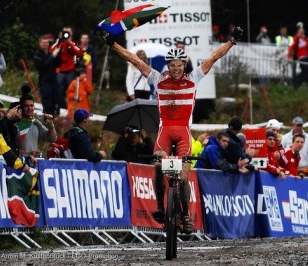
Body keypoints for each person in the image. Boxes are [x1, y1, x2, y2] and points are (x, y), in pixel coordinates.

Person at [102, 24, 243, 234]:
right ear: (168, 65)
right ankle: (160, 207)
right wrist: (114, 45)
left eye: (180, 65)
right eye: (173, 65)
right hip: (165, 132)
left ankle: (185, 215)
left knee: (184, 178)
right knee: (159, 167)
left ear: (185, 65)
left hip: (184, 133)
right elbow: (135, 61)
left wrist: (232, 41)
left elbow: (213, 57)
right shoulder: (158, 80)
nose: (176, 69)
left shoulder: (192, 78)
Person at [0, 100, 37, 173]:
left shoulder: (8, 126)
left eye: (2, 112)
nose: (1, 115)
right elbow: (4, 152)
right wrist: (22, 165)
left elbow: (12, 150)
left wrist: (27, 157)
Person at [50, 27, 84, 109]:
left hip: (71, 71)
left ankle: (71, 108)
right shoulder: (59, 42)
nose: (66, 34)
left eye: (68, 32)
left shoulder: (73, 43)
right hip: (61, 71)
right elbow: (51, 51)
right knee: (59, 91)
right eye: (65, 32)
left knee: (71, 92)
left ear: (71, 34)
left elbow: (80, 53)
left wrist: (69, 43)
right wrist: (59, 40)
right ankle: (62, 107)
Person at [17, 91, 57, 158]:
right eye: (26, 106)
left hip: (35, 163)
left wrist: (51, 126)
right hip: (19, 164)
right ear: (21, 108)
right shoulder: (15, 125)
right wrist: (29, 153)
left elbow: (52, 138)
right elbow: (10, 149)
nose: (30, 108)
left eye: (31, 105)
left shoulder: (36, 123)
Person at [34, 34, 62, 116]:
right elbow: (43, 66)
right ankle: (46, 118)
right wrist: (53, 56)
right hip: (44, 81)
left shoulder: (50, 53)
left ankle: (54, 119)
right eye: (43, 42)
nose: (45, 44)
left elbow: (59, 64)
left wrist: (58, 54)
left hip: (53, 80)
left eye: (46, 43)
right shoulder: (37, 54)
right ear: (40, 43)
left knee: (56, 99)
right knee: (47, 100)